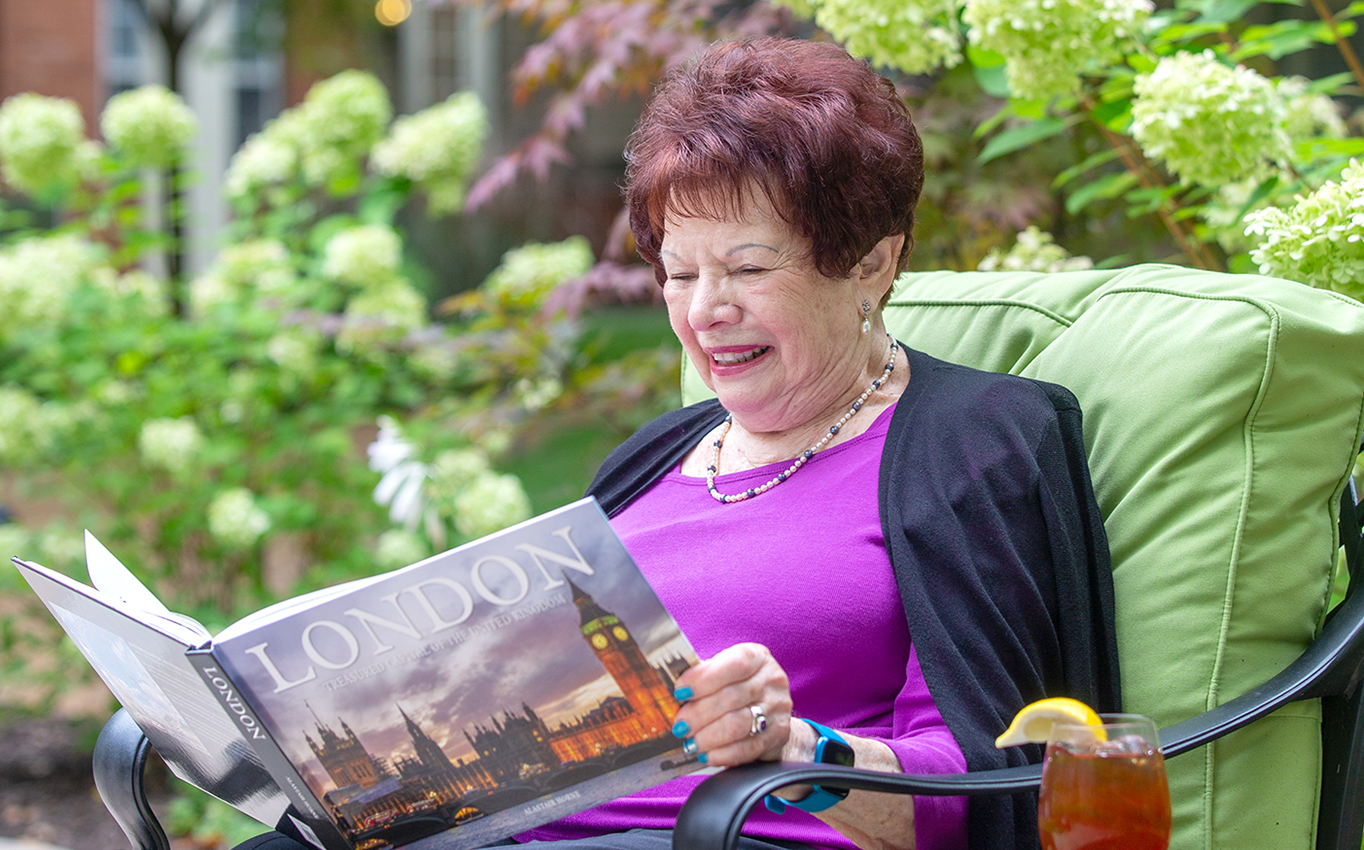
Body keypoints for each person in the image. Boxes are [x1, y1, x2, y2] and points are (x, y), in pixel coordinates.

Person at [238, 35, 1118, 850]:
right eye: (680, 272)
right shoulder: (655, 457)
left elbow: (990, 789)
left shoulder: (974, 441)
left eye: (746, 268)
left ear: (871, 265)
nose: (705, 310)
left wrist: (797, 749)